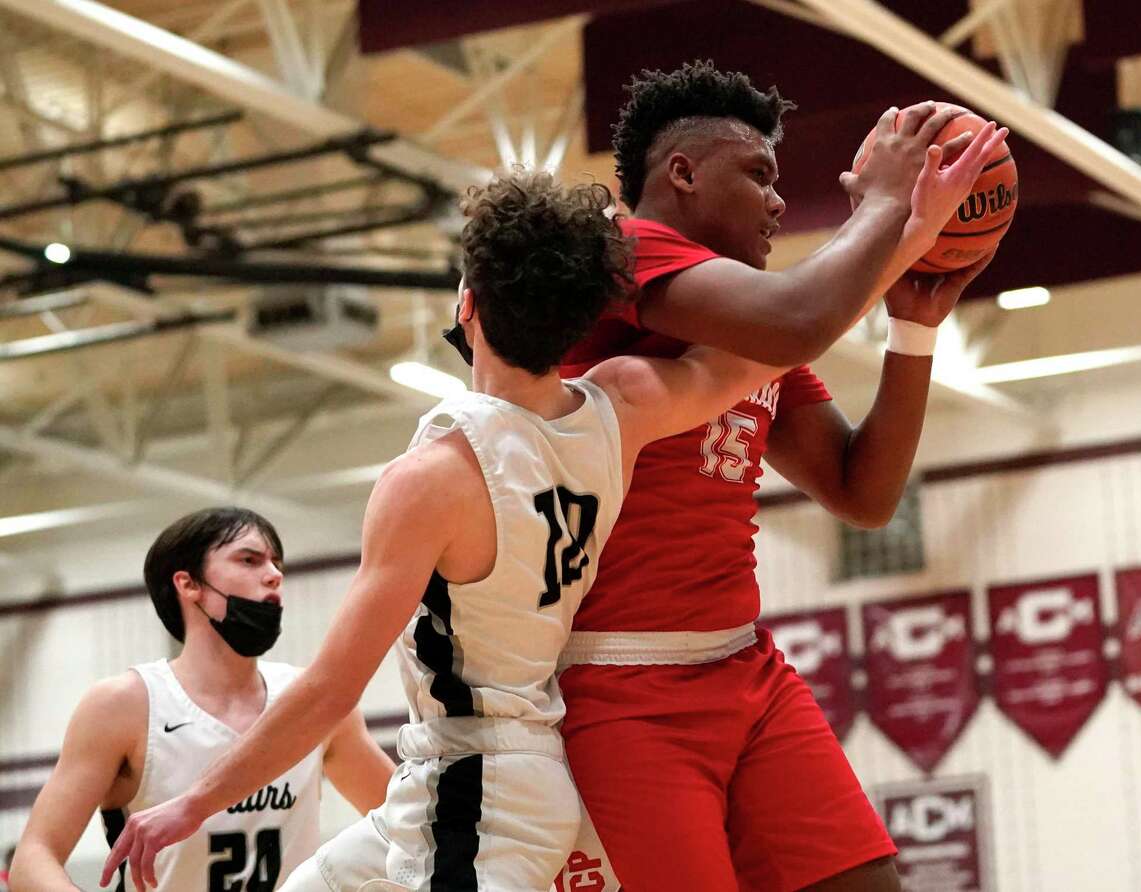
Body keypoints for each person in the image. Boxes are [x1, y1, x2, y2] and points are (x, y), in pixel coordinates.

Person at [90, 162, 961, 892]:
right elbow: (773, 340)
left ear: (466, 304)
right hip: (452, 778)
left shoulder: (432, 479)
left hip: (482, 786)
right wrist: (901, 246)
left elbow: (325, 693)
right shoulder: (620, 407)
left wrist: (191, 805)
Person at [553, 61, 1007, 892]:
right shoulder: (619, 251)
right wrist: (882, 209)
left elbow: (861, 492)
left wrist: (914, 326)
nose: (778, 201)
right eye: (758, 174)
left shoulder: (753, 324)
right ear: (682, 173)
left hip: (743, 669)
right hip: (619, 688)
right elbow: (800, 316)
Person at [9, 507, 394, 892]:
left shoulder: (311, 704)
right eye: (249, 559)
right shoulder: (124, 704)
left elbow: (408, 822)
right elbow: (32, 860)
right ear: (189, 584)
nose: (274, 575)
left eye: (277, 564)